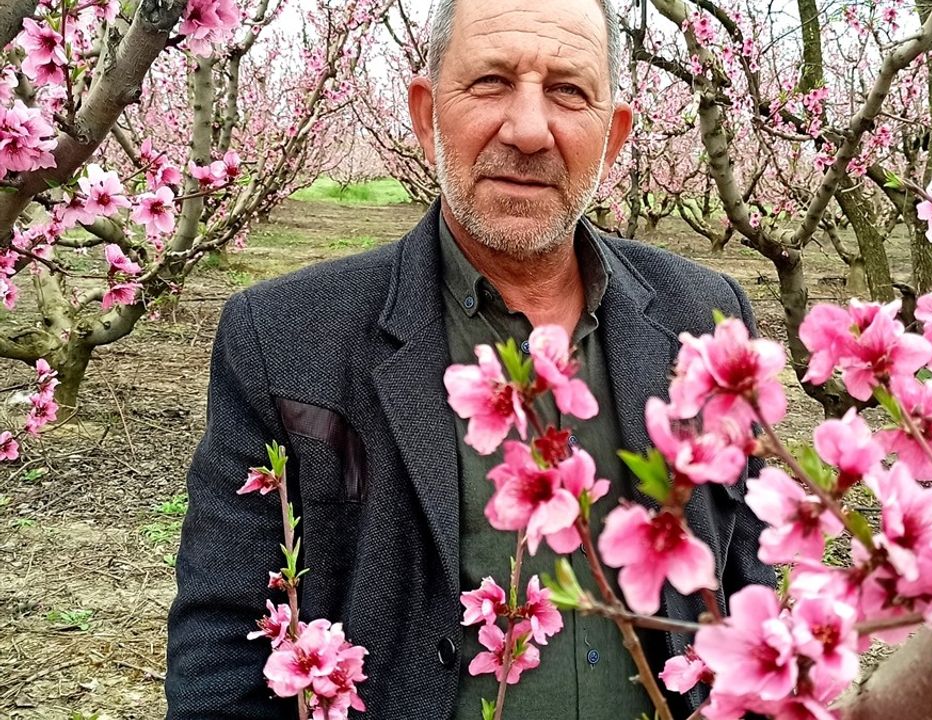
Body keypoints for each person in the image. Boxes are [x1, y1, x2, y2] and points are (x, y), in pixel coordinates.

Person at [164, 0, 775, 716]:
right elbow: (223, 647)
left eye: (569, 92)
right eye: (490, 82)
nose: (527, 129)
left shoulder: (704, 315)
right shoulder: (283, 335)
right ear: (427, 114)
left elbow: (749, 584)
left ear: (614, 137)